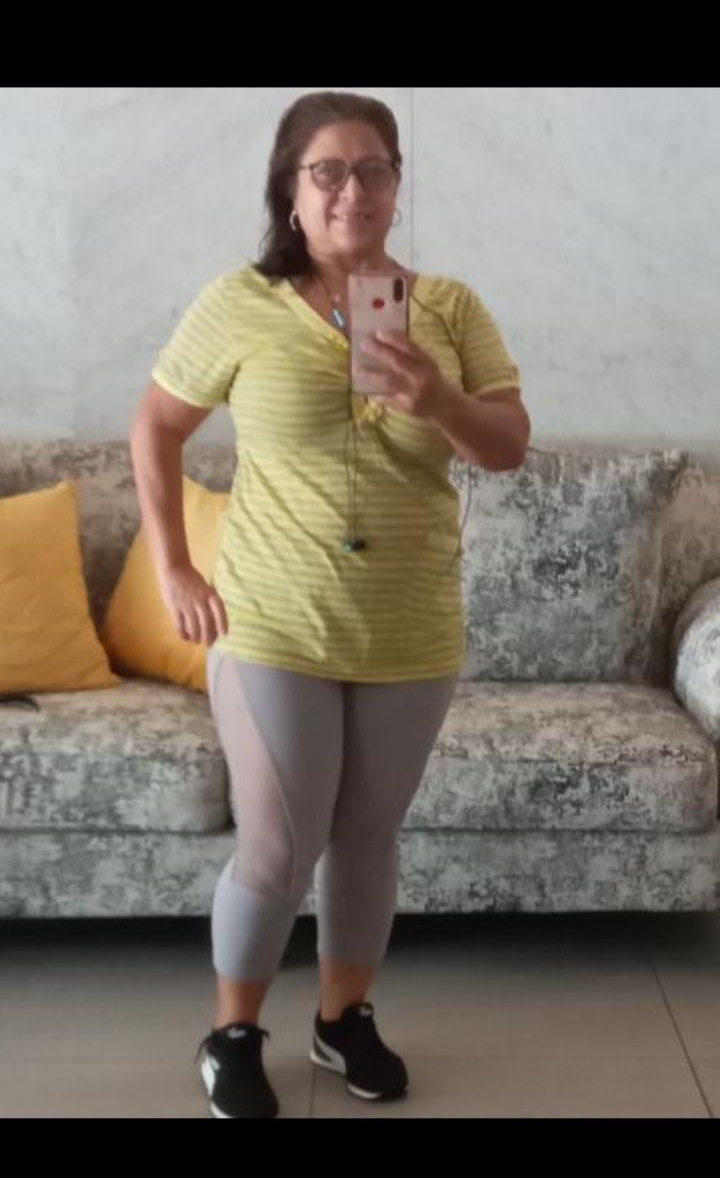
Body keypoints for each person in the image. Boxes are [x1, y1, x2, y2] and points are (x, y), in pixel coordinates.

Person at [130, 90, 530, 1118]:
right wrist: (174, 567)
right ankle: (232, 1034)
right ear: (291, 190)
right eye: (329, 171)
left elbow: (507, 446)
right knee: (278, 840)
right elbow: (156, 424)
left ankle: (343, 1019)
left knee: (367, 836)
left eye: (374, 168)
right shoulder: (239, 303)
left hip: (409, 623)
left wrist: (439, 399)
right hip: (273, 618)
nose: (354, 189)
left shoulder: (449, 308)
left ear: (397, 184)